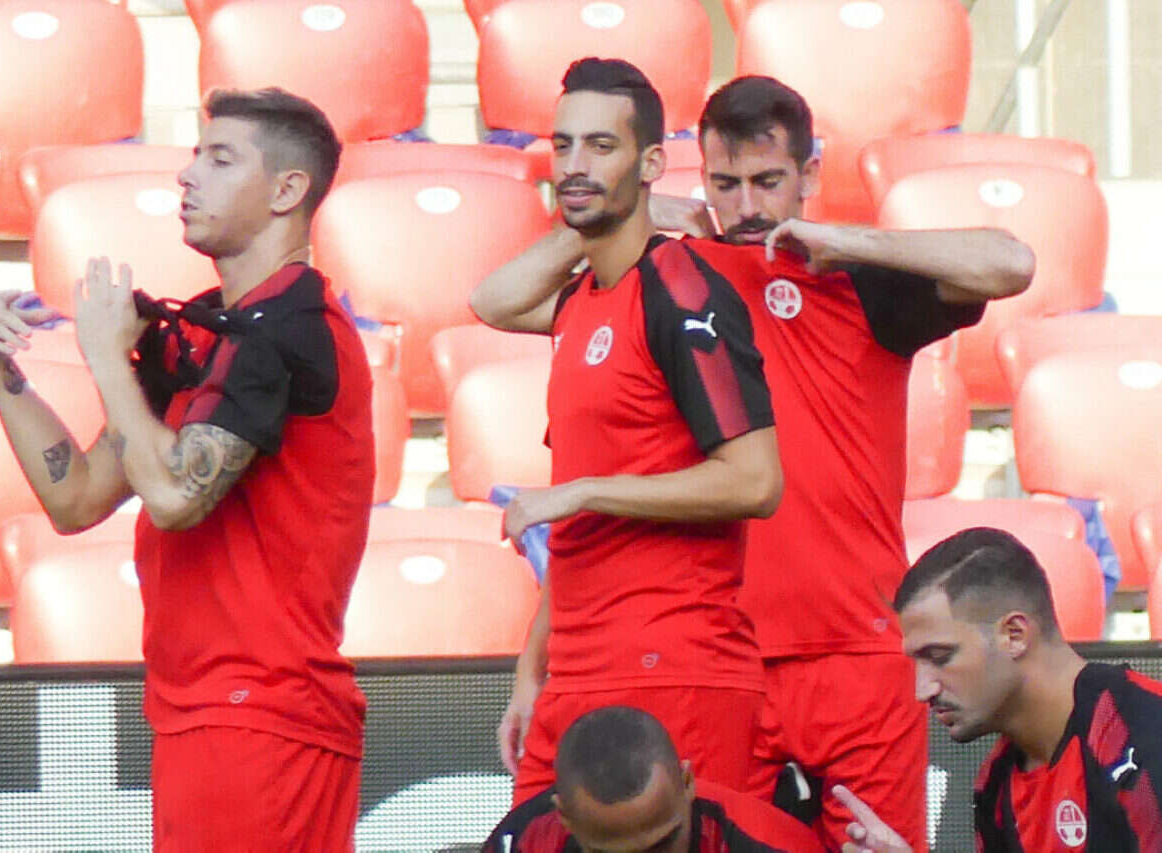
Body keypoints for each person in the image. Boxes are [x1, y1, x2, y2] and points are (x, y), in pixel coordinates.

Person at [0, 88, 374, 850]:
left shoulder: (292, 328)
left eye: (220, 159)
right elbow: (76, 497)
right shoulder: (212, 329)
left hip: (263, 715)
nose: (188, 176)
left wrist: (104, 357)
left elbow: (174, 494)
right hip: (202, 712)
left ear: (287, 190)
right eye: (193, 156)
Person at [648, 75, 1036, 851]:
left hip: (860, 650)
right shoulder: (677, 278)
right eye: (725, 184)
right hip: (725, 653)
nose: (747, 205)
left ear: (810, 175)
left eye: (768, 181)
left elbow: (1011, 263)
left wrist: (848, 241)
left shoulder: (858, 280)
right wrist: (657, 219)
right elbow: (524, 275)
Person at [470, 58, 783, 803]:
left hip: (675, 667)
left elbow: (756, 480)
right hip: (577, 671)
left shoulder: (682, 289)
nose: (574, 166)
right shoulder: (580, 302)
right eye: (564, 146)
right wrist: (533, 669)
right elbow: (490, 300)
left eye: (601, 147)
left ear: (650, 164)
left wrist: (583, 492)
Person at [836, 526, 1162, 853]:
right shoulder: (995, 783)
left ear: (1014, 635)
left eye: (939, 657)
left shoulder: (1143, 736)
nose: (923, 690)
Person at [483, 706, 826, 852]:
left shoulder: (769, 845)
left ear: (688, 784)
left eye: (662, 845)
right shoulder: (526, 842)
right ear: (564, 817)